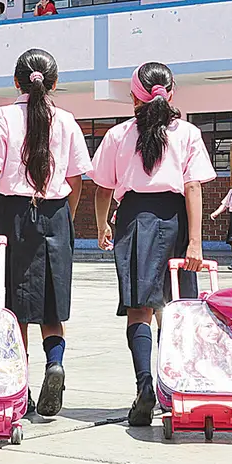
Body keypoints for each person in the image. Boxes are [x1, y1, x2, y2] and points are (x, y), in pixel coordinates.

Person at [91, 61, 216, 427]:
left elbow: (102, 188)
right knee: (177, 310)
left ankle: (144, 385)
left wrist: (102, 226)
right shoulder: (188, 133)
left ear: (133, 97)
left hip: (133, 218)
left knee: (139, 308)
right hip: (176, 218)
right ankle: (172, 389)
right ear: (171, 93)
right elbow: (193, 187)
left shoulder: (118, 134)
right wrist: (195, 242)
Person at [0, 48, 93, 418]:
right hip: (55, 214)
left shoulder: (3, 116)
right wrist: (63, 217)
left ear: (16, 82)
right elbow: (76, 179)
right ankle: (54, 364)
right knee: (52, 303)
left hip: (13, 214)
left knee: (13, 305)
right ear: (54, 84)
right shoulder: (68, 120)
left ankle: (19, 386)